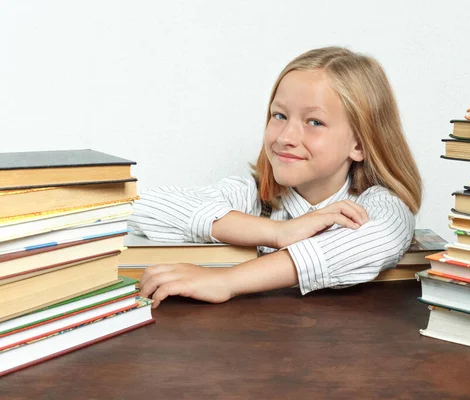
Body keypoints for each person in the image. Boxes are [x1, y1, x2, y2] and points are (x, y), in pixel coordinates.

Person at [129, 46, 422, 308]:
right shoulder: (252, 197)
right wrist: (278, 232)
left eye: (314, 122)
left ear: (359, 143)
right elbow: (141, 207)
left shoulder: (377, 206)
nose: (286, 137)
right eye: (279, 116)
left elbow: (376, 238)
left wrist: (226, 281)